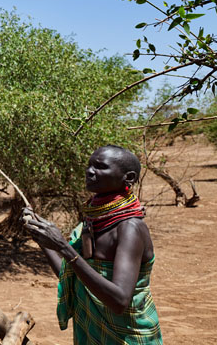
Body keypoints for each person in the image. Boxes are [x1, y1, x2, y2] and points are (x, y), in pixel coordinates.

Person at [22, 145, 163, 344]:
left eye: (100, 167)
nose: (90, 171)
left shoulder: (130, 228)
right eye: (89, 165)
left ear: (128, 178)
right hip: (90, 333)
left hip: (127, 337)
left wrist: (63, 246)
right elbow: (72, 275)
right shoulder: (91, 222)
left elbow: (119, 301)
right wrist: (41, 237)